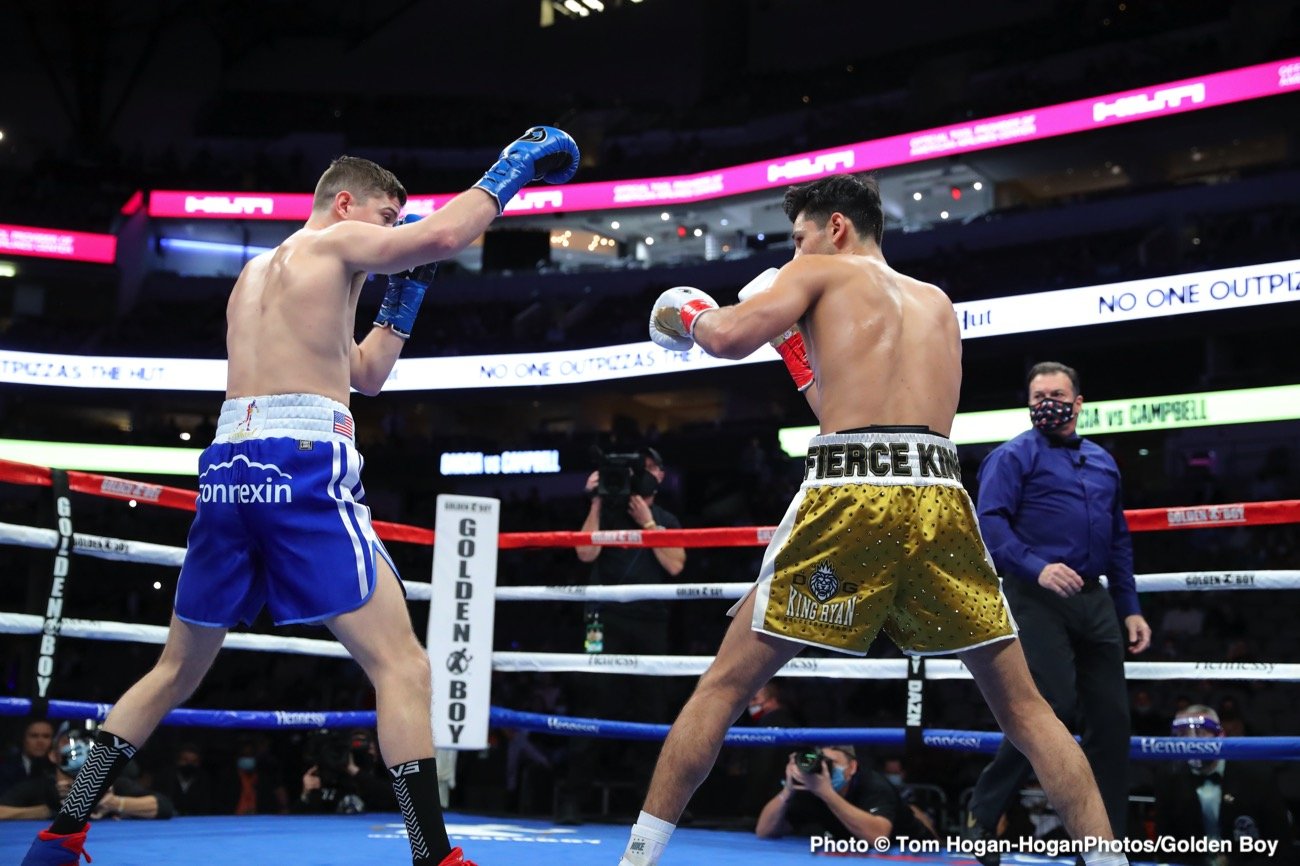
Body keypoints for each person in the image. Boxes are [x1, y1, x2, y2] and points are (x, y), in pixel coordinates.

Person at [19, 126, 579, 866]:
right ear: (344, 201)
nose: (392, 236)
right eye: (385, 219)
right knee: (403, 666)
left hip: (227, 469)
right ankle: (435, 857)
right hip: (301, 461)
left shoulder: (258, 272)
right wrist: (516, 166)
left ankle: (63, 833)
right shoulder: (332, 246)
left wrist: (401, 304)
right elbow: (446, 234)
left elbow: (366, 373)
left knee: (175, 670)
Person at [626, 173, 1126, 866]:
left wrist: (686, 313)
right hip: (938, 498)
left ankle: (637, 859)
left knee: (726, 684)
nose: (795, 251)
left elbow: (728, 337)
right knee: (1028, 710)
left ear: (835, 228)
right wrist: (798, 349)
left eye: (799, 237)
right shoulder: (937, 302)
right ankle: (1109, 860)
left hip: (851, 496)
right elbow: (866, 412)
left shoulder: (819, 270)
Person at [965, 361, 1152, 853]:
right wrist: (1037, 567)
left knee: (1111, 721)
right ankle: (981, 817)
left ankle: (1106, 843)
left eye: (1056, 393)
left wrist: (1129, 606)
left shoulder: (1103, 461)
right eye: (1038, 395)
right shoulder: (1012, 456)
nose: (1046, 402)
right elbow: (990, 525)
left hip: (1094, 600)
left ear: (1078, 402)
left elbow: (1118, 539)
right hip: (1036, 597)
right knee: (1049, 709)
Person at [557, 448, 685, 821]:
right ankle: (572, 799)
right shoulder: (604, 515)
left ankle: (657, 808)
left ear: (658, 478)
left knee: (653, 711)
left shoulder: (665, 519)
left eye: (647, 470)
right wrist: (597, 502)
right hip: (605, 620)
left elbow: (675, 564)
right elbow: (583, 553)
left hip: (649, 622)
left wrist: (648, 524)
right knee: (592, 705)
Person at [1153, 706, 1293, 865]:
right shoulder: (1169, 778)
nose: (1192, 742)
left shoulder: (1256, 777)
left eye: (1200, 733)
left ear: (1220, 736)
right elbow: (1165, 846)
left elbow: (1280, 847)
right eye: (1183, 735)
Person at [755, 745, 936, 846]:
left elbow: (878, 837)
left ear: (852, 768)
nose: (826, 769)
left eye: (832, 763)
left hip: (912, 849)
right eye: (822, 762)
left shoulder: (873, 785)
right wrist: (789, 789)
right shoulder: (812, 785)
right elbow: (764, 831)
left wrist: (826, 794)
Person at [0, 729, 173, 822]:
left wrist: (114, 803)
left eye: (83, 743)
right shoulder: (40, 786)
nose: (78, 749)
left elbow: (164, 806)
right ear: (53, 755)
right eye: (70, 743)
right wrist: (51, 811)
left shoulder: (112, 784)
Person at [153, 743, 216, 816]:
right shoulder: (166, 776)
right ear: (177, 760)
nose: (189, 764)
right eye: (185, 760)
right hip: (169, 818)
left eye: (193, 762)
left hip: (196, 821)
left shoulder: (203, 779)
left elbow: (206, 805)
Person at [0, 719, 55, 794]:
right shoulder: (5, 768)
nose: (40, 741)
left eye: (46, 736)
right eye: (34, 736)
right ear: (23, 738)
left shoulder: (58, 768)